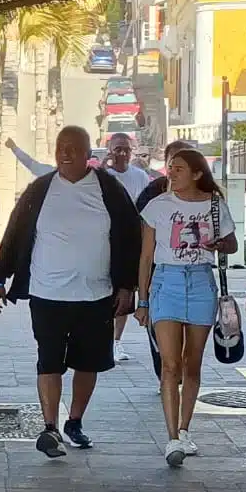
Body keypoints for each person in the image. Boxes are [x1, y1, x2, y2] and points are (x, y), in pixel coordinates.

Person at [0, 125, 141, 459]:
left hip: (96, 295)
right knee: (49, 360)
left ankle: (74, 421)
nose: (66, 152)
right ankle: (50, 428)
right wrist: (0, 277)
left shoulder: (108, 189)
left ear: (88, 153)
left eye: (74, 147)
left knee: (88, 363)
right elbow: (15, 232)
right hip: (47, 294)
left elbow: (131, 237)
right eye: (61, 146)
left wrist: (127, 286)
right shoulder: (40, 190)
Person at [135, 149, 238, 465]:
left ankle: (185, 427)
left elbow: (232, 243)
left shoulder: (214, 204)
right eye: (170, 168)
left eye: (179, 169)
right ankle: (172, 438)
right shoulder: (158, 206)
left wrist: (220, 244)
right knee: (170, 364)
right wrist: (143, 300)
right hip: (166, 283)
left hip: (201, 282)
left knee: (192, 362)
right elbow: (146, 256)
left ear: (196, 173)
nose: (172, 173)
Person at [103, 132, 152, 361]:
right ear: (109, 150)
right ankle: (100, 340)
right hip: (103, 241)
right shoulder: (102, 176)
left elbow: (146, 208)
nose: (121, 153)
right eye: (117, 149)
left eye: (125, 149)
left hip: (130, 242)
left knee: (124, 292)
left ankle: (116, 342)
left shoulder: (140, 176)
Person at [134, 138, 198, 213]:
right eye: (173, 162)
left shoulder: (204, 191)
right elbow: (140, 216)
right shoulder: (153, 189)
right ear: (165, 164)